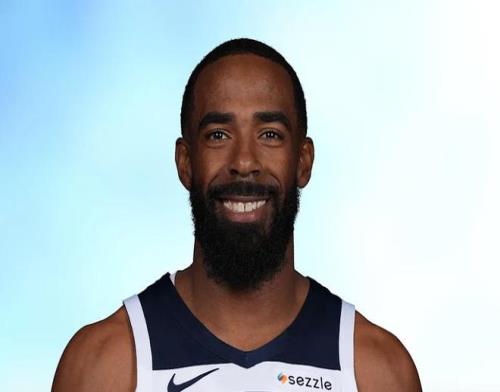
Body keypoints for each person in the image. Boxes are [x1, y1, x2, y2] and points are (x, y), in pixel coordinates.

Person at [52, 38, 422, 392]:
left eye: (270, 134)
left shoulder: (375, 371)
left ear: (303, 161)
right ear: (185, 162)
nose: (244, 162)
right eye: (218, 135)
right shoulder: (105, 364)